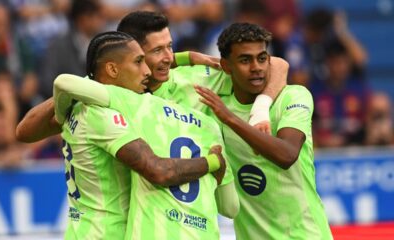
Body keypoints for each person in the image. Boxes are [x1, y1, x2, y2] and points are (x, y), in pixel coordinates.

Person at [48, 31, 236, 239]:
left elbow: (27, 128)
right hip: (107, 233)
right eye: (139, 62)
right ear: (112, 69)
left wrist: (61, 115)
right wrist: (212, 163)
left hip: (81, 229)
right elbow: (158, 170)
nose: (147, 71)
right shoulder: (103, 114)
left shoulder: (76, 107)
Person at [194, 23, 332, 239]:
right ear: (226, 66)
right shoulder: (216, 105)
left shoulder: (293, 96)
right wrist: (187, 56)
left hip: (304, 235)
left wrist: (231, 117)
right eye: (244, 60)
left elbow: (287, 154)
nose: (256, 67)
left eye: (261, 58)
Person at [116, 11, 289, 132]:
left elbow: (278, 65)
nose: (168, 57)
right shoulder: (112, 92)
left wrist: (260, 110)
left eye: (169, 46)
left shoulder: (198, 78)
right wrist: (187, 56)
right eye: (157, 50)